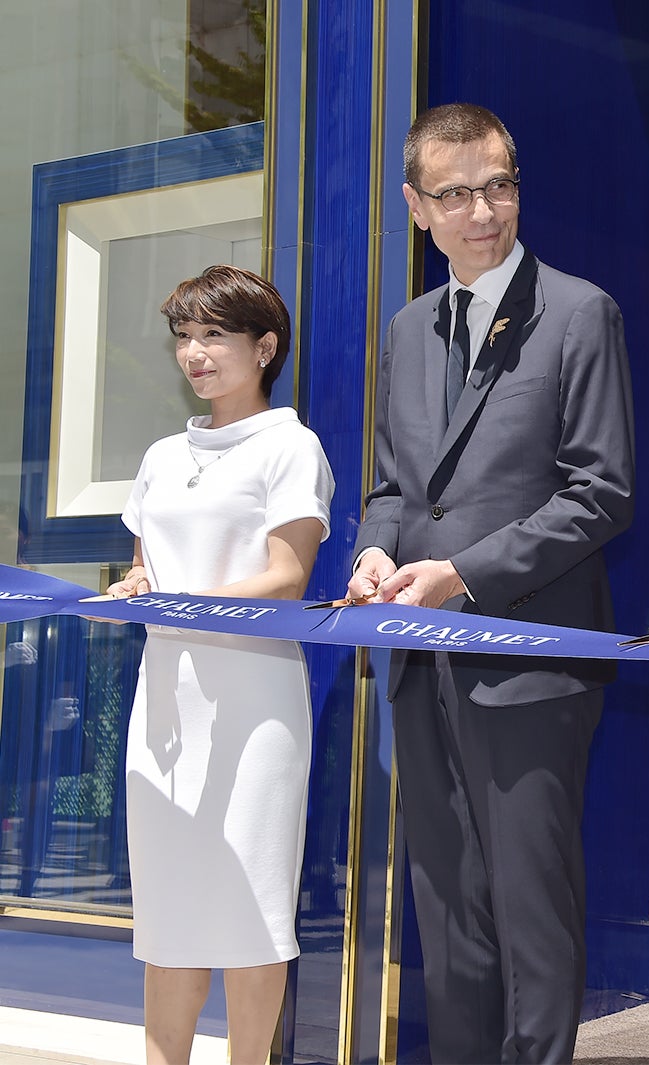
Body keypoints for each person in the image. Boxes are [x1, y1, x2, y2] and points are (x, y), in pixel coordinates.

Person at [346, 102, 635, 1064]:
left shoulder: (580, 312)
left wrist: (463, 575)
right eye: (457, 194)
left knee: (530, 908)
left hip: (529, 662)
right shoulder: (407, 328)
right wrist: (374, 554)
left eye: (499, 186)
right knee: (447, 910)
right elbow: (393, 487)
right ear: (416, 206)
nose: (483, 211)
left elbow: (602, 495)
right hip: (418, 661)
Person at [109, 264, 334, 1064]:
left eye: (214, 335)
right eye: (183, 336)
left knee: (251, 907)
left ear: (265, 347)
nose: (194, 353)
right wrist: (135, 588)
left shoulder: (291, 445)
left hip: (253, 701)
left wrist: (183, 602)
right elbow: (145, 566)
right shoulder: (162, 454)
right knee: (168, 909)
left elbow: (287, 576)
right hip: (166, 701)